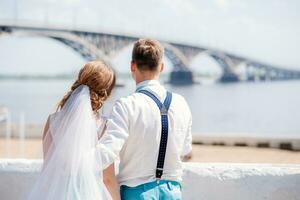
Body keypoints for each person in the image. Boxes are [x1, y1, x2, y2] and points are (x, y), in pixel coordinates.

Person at [98, 39, 193, 200]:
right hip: (172, 192)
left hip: (135, 193)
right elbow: (186, 152)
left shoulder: (126, 105)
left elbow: (107, 152)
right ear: (161, 67)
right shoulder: (181, 103)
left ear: (132, 66)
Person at [27, 61, 120, 200]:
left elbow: (49, 168)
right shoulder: (104, 126)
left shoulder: (52, 121)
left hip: (58, 194)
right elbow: (107, 179)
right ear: (106, 94)